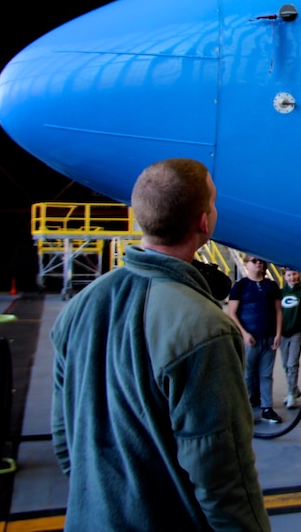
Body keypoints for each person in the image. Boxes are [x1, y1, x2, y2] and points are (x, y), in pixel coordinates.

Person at [50, 158, 270, 530]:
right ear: (205, 221)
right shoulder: (205, 330)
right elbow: (223, 480)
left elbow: (65, 441)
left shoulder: (80, 307)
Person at [228, 255, 284, 424]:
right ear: (246, 264)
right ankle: (244, 408)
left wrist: (278, 333)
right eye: (254, 261)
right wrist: (244, 333)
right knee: (247, 374)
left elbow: (278, 311)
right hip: (250, 339)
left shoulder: (271, 286)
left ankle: (267, 407)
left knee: (266, 374)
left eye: (261, 261)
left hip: (268, 337)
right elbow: (232, 312)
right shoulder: (240, 286)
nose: (258, 263)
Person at [278, 268, 301, 410]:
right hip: (283, 332)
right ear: (285, 277)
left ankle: (291, 393)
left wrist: (300, 323)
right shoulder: (281, 293)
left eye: (295, 274)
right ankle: (294, 388)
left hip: (296, 332)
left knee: (292, 363)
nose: (292, 277)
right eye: (289, 275)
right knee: (286, 364)